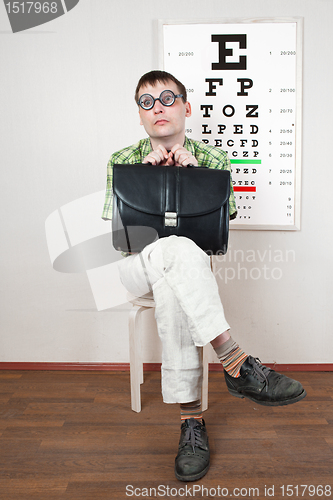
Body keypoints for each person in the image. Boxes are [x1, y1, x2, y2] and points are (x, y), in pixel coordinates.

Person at [102, 70, 306, 482]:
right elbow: (120, 238)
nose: (157, 107)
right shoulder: (122, 161)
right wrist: (147, 178)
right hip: (134, 267)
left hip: (185, 273)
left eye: (167, 98)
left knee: (176, 274)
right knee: (170, 255)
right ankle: (236, 362)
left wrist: (194, 176)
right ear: (139, 116)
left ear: (186, 106)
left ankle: (191, 423)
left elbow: (220, 230)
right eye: (147, 102)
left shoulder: (213, 160)